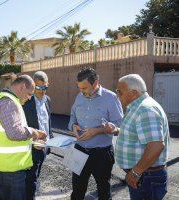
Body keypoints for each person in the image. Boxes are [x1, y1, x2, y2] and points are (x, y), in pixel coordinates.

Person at [0, 75, 47, 200]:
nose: (30, 98)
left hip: (6, 167)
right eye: (29, 94)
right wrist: (34, 132)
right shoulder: (8, 102)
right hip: (8, 169)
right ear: (22, 87)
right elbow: (14, 133)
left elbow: (10, 135)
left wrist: (31, 141)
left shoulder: (10, 101)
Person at [68, 67, 123, 200]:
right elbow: (72, 119)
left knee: (103, 190)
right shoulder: (79, 96)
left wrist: (98, 130)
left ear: (95, 83)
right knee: (77, 190)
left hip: (102, 154)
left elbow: (120, 126)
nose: (81, 91)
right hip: (79, 150)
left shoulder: (111, 98)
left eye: (84, 88)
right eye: (79, 87)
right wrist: (73, 126)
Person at [113, 74, 169, 200]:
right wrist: (118, 130)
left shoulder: (145, 109)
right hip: (144, 175)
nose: (117, 95)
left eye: (119, 92)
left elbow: (156, 145)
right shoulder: (138, 107)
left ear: (133, 93)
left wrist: (136, 172)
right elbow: (139, 133)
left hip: (145, 176)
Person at [23, 71, 54, 200]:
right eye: (38, 87)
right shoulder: (26, 101)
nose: (41, 91)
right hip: (30, 148)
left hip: (44, 147)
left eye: (44, 87)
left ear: (48, 85)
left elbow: (48, 122)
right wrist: (33, 141)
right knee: (30, 180)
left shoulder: (48, 100)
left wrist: (50, 142)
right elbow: (21, 126)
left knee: (36, 177)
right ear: (33, 86)